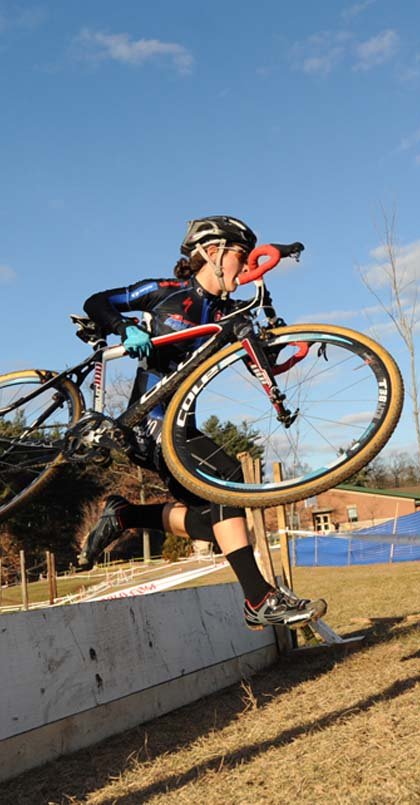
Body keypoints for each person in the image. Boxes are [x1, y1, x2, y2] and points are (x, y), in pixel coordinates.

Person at [77, 215, 326, 631]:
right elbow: (96, 302)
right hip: (149, 423)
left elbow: (259, 364)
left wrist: (292, 351)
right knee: (227, 478)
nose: (244, 267)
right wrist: (123, 329)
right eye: (239, 256)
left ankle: (125, 516)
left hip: (180, 428)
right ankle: (259, 599)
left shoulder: (227, 314)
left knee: (215, 522)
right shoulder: (166, 292)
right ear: (212, 253)